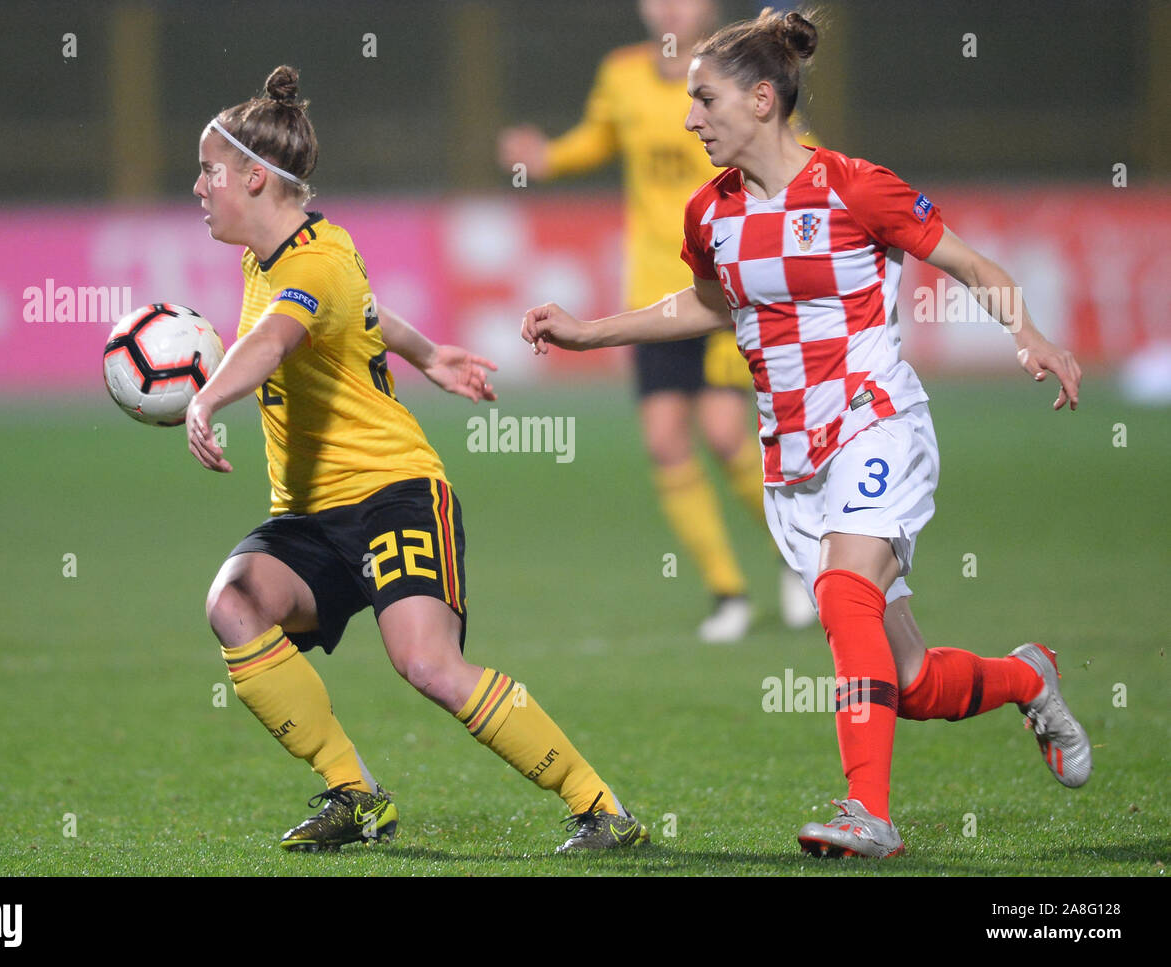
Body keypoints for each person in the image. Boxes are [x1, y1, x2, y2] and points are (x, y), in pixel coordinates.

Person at [520, 9, 1091, 858]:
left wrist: (1027, 332)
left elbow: (969, 263)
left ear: (761, 98)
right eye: (687, 102)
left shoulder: (855, 185)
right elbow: (710, 301)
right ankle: (1027, 676)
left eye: (704, 100)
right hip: (792, 460)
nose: (689, 119)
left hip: (876, 422)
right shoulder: (706, 214)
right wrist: (588, 331)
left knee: (842, 590)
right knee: (911, 680)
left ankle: (869, 810)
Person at [187, 65, 647, 853]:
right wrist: (430, 354)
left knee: (427, 665)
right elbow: (364, 312)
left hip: (392, 493)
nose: (197, 186)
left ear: (256, 179)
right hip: (307, 516)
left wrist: (204, 399)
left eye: (210, 171)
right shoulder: (284, 254)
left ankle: (599, 806)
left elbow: (272, 341)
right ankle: (355, 795)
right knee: (234, 600)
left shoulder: (312, 263)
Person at [498, 0, 817, 642]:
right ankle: (727, 591)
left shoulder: (736, 79)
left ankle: (799, 556)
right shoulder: (622, 75)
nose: (670, 9)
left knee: (727, 435)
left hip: (725, 289)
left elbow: (797, 149)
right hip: (654, 290)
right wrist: (546, 157)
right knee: (665, 439)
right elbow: (598, 138)